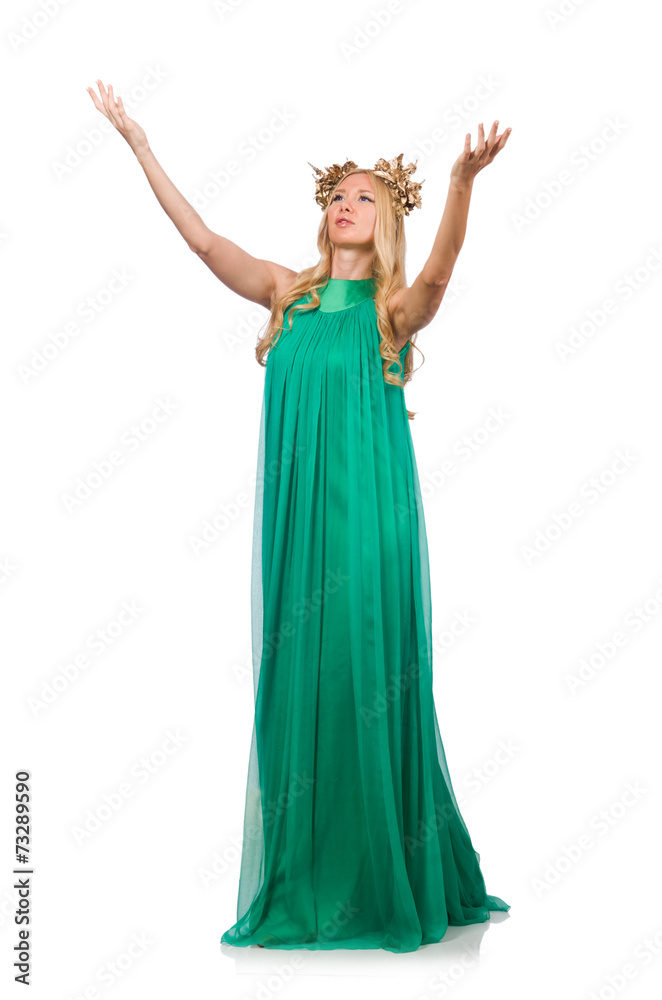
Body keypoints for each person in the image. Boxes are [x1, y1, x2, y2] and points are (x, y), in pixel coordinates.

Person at [87, 79, 512, 953]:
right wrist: (139, 145)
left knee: (364, 680)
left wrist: (461, 184)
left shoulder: (391, 312)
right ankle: (316, 880)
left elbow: (438, 275)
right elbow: (204, 241)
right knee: (303, 682)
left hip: (369, 527)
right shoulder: (289, 295)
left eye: (366, 197)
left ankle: (383, 878)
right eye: (338, 195)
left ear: (386, 221)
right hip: (296, 531)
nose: (345, 204)